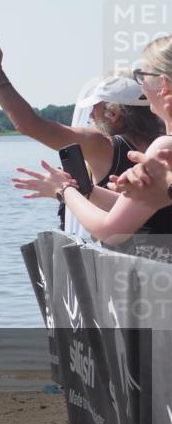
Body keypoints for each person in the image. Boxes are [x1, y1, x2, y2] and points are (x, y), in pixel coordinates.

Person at [13, 36, 172, 262]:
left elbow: (110, 230)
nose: (143, 90)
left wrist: (64, 191)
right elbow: (148, 208)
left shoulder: (164, 147)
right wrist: (88, 190)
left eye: (143, 77)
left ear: (164, 86)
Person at [0, 30, 163, 192]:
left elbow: (30, 125)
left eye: (95, 108)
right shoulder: (163, 141)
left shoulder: (102, 144)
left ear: (113, 114)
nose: (91, 115)